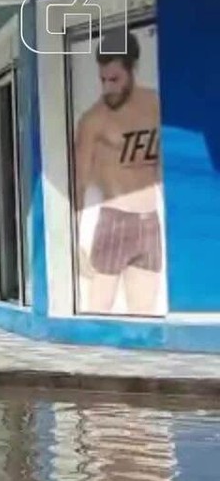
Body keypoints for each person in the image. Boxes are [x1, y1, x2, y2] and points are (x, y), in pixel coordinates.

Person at [73, 29, 163, 316]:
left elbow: (165, 165)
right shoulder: (93, 121)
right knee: (98, 311)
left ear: (132, 69)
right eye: (103, 80)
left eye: (115, 79)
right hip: (114, 221)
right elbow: (79, 183)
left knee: (145, 314)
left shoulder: (155, 104)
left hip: (150, 221)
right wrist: (73, 241)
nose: (108, 88)